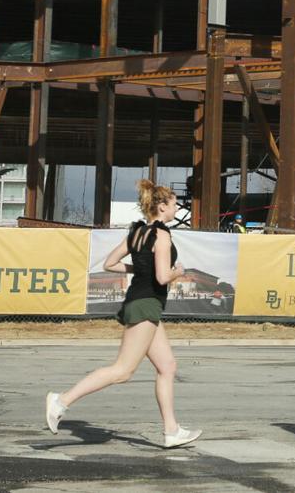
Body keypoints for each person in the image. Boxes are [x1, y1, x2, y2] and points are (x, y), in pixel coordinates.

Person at [45, 181, 201, 449]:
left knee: (167, 366)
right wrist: (179, 271)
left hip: (141, 303)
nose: (177, 208)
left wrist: (138, 269)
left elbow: (109, 263)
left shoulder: (136, 233)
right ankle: (60, 401)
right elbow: (163, 277)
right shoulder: (162, 236)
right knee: (123, 370)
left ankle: (171, 430)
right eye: (174, 204)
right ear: (162, 206)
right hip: (146, 303)